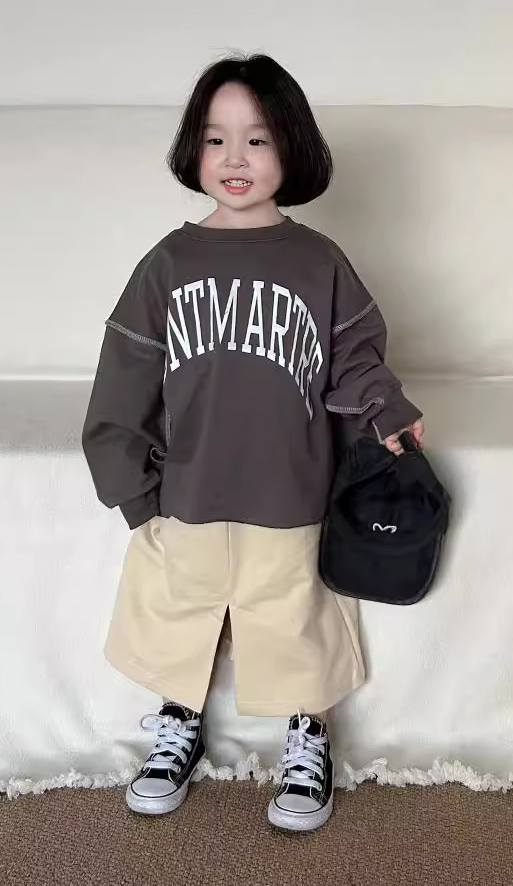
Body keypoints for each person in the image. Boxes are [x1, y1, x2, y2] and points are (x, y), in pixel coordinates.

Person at [81, 54, 424, 832]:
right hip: (189, 487)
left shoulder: (318, 262)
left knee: (294, 610)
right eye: (216, 139)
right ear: (193, 150)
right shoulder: (168, 264)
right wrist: (132, 487)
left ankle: (309, 730)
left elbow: (354, 356)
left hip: (290, 487)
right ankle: (179, 720)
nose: (234, 158)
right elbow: (124, 376)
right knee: (178, 606)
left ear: (292, 148)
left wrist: (386, 411)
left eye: (258, 139)